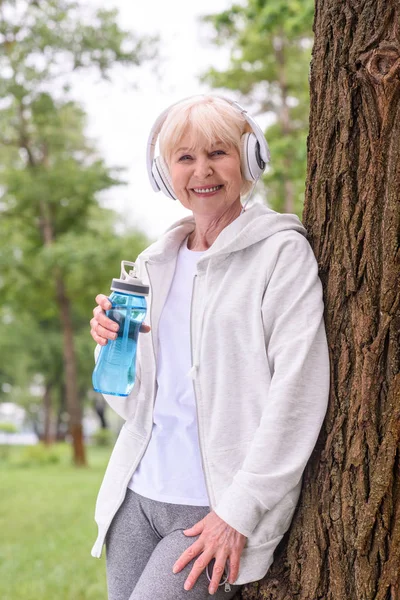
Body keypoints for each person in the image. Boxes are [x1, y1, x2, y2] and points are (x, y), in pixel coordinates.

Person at [89, 95, 330, 600]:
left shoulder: (282, 254)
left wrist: (238, 513)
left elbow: (299, 391)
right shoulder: (154, 262)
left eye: (218, 152)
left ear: (249, 159)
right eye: (184, 158)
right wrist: (109, 347)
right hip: (136, 498)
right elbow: (133, 403)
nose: (202, 170)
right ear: (165, 173)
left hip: (211, 510)